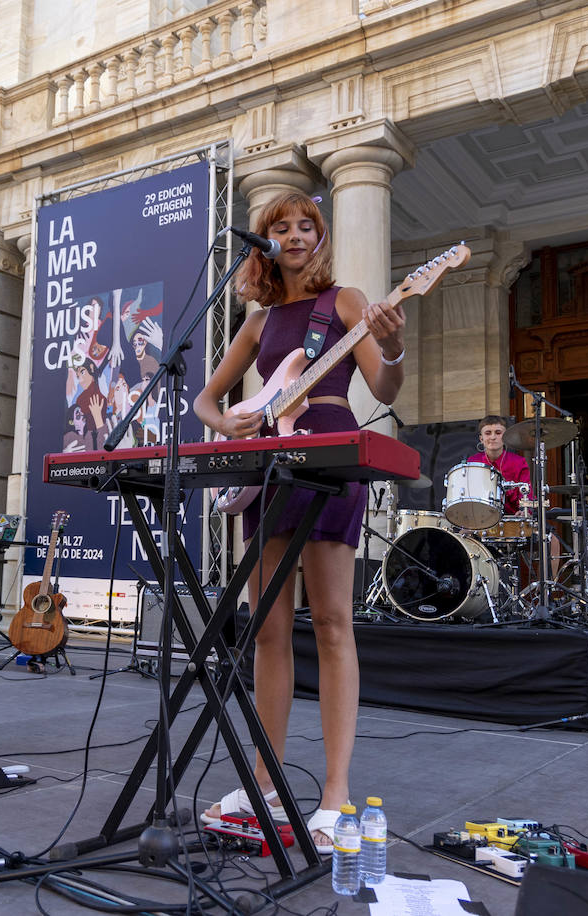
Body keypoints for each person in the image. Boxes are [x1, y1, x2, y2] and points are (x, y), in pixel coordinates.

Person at [192, 191, 407, 853]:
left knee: (335, 622)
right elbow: (206, 397)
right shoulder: (257, 323)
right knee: (268, 630)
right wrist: (225, 420)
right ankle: (265, 774)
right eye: (279, 227)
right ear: (263, 243)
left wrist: (392, 348)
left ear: (320, 236)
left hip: (331, 458)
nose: (292, 234)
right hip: (267, 469)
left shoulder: (344, 303)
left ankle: (336, 792)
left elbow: (385, 388)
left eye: (304, 225)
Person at [466, 415, 530, 514]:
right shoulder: (473, 462)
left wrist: (524, 511)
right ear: (481, 439)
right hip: (480, 520)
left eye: (498, 433)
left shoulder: (518, 462)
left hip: (512, 521)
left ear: (505, 437)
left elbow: (527, 494)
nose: (493, 437)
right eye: (488, 433)